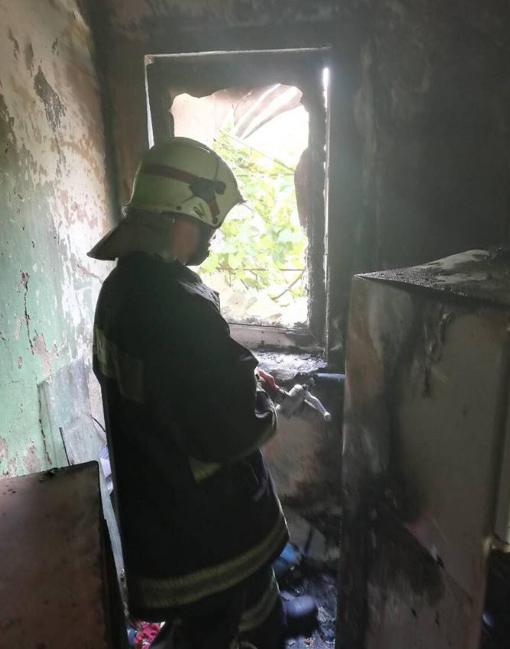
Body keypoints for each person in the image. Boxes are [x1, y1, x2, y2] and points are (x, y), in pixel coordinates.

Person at [88, 138, 317, 649]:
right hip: (197, 506)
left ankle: (270, 622)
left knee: (241, 582)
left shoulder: (122, 289)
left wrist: (236, 376)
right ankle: (251, 633)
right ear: (177, 217)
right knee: (211, 615)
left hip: (155, 484)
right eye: (207, 226)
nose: (212, 239)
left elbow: (171, 385)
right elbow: (226, 424)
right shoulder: (172, 304)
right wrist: (261, 404)